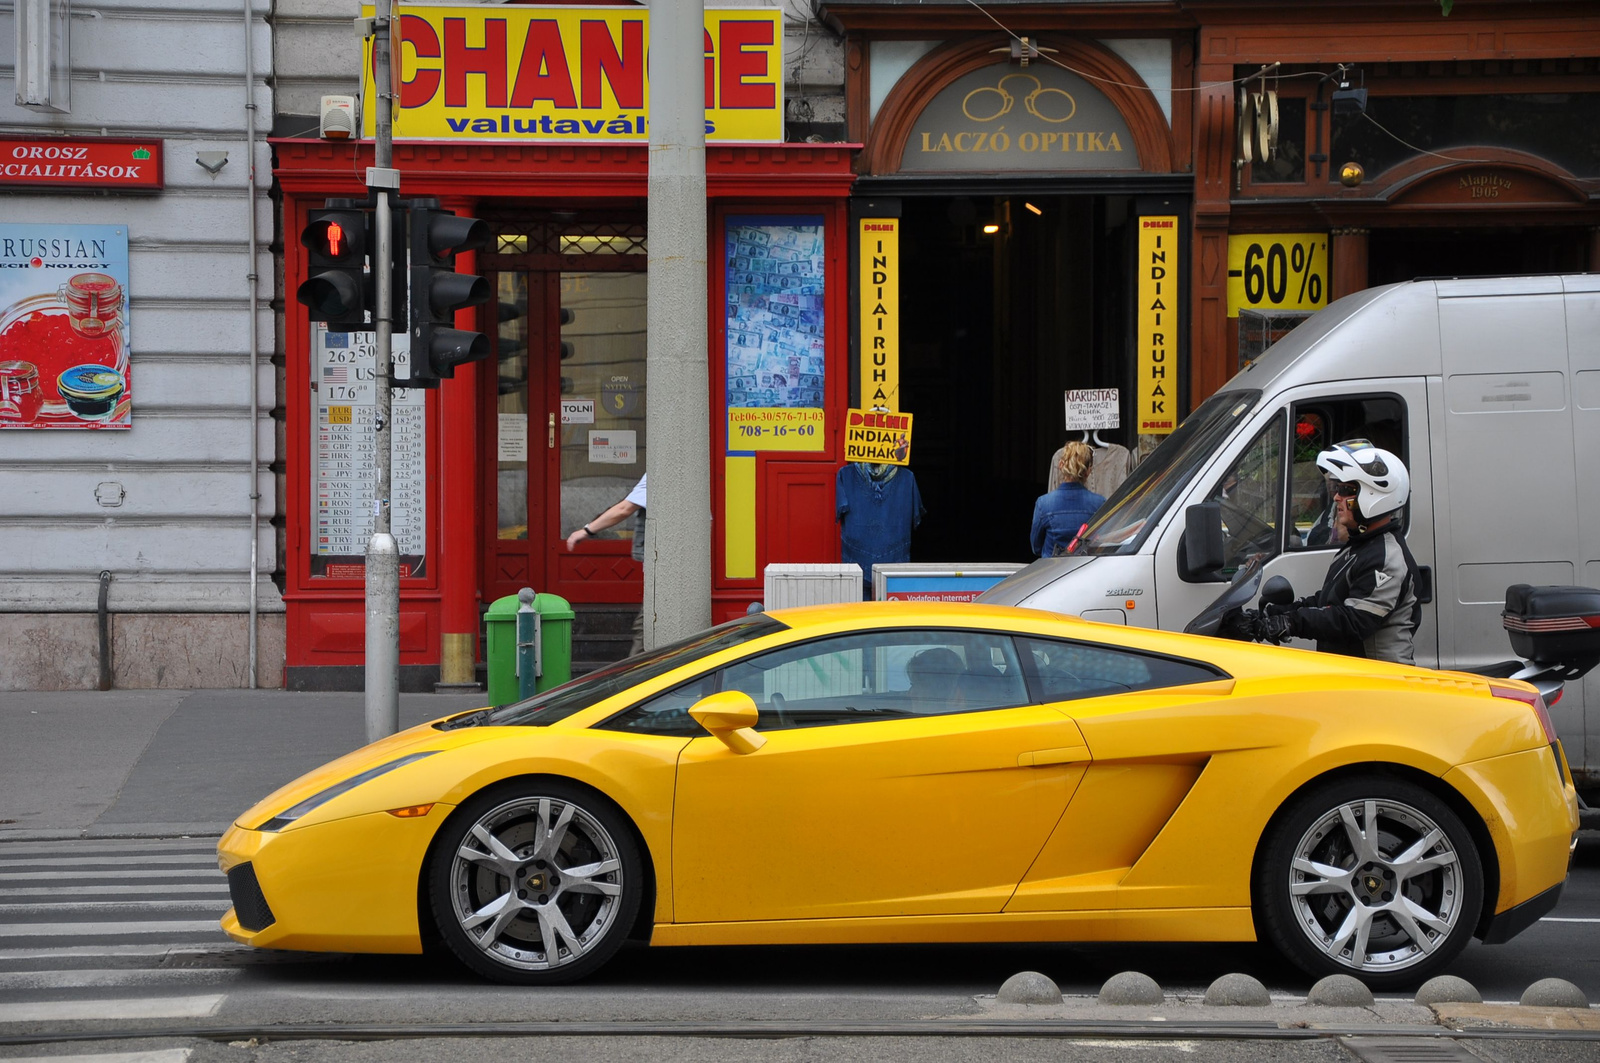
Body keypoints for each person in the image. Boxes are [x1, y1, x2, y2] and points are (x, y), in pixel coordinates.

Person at [1251, 440, 1421, 664]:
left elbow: (1353, 620)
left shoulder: (1387, 557)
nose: (1336, 497)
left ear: (1374, 495)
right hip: (1352, 676)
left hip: (1379, 681)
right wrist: (1275, 613)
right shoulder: (1359, 547)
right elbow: (1328, 601)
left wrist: (1290, 623)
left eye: (1346, 490)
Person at [567, 475, 647, 655]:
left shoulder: (660, 468)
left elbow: (624, 509)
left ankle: (634, 679)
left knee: (646, 631)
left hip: (665, 567)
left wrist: (586, 530)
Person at [1030, 441, 1106, 557]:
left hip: (1053, 570)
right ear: (1088, 471)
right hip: (1085, 569)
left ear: (1060, 465)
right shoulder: (1099, 503)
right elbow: (1102, 542)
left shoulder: (1043, 504)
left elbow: (1036, 547)